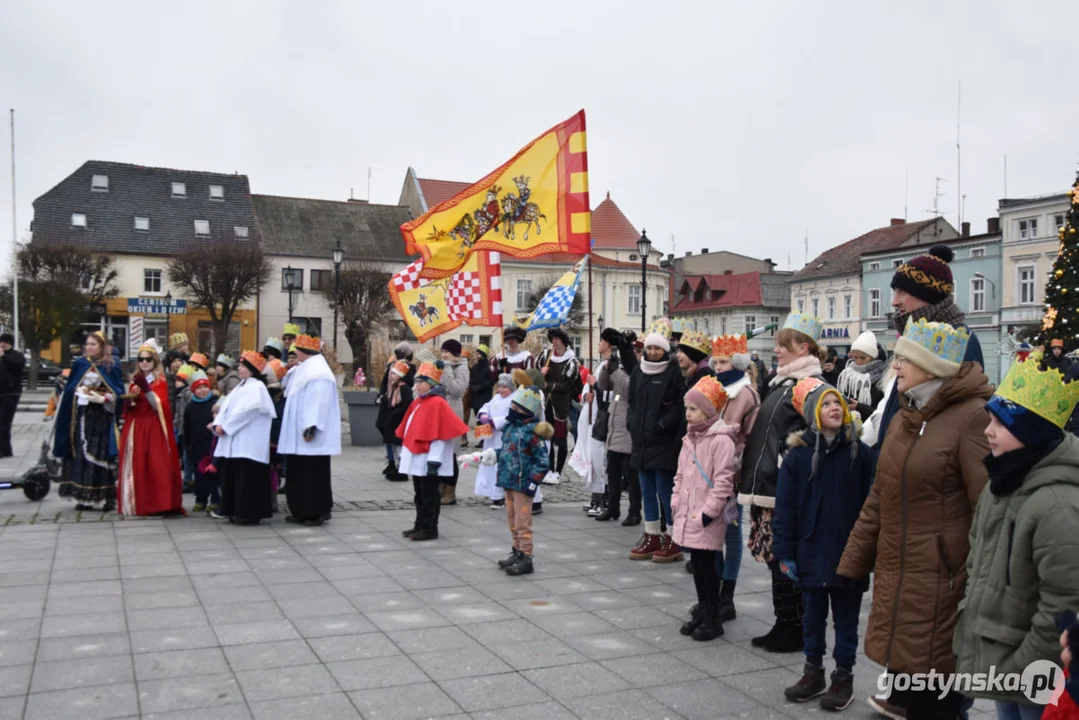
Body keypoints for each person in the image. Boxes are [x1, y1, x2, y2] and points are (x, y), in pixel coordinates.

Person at [838, 319, 992, 719]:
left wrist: (980, 582)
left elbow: (989, 509)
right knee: (908, 678)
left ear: (932, 365)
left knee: (937, 692)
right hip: (900, 571)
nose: (896, 366)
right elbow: (879, 496)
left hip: (944, 578)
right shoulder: (908, 414)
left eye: (905, 359)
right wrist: (853, 561)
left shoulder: (972, 417)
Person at [953, 360, 1079, 719]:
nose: (988, 431)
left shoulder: (1057, 505)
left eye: (1000, 423)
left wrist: (1026, 666)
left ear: (1032, 433)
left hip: (1033, 669)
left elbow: (1065, 603)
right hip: (1004, 656)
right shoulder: (1004, 480)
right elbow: (979, 560)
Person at [773, 379, 873, 711]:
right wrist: (784, 551)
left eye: (838, 404)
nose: (834, 408)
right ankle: (812, 672)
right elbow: (785, 508)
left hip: (849, 553)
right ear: (814, 413)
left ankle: (843, 678)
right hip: (811, 551)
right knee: (812, 618)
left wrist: (870, 550)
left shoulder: (860, 453)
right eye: (826, 404)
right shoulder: (798, 457)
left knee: (846, 620)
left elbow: (873, 505)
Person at [740, 312, 826, 654]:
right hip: (769, 488)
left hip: (785, 490)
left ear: (803, 347)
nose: (776, 350)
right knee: (775, 559)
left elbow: (818, 434)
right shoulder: (783, 383)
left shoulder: (810, 386)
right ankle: (783, 622)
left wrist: (786, 458)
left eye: (783, 345)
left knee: (785, 559)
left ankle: (794, 627)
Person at [875, 244, 985, 448]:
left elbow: (966, 413)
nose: (894, 302)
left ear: (927, 295)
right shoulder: (915, 336)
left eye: (902, 292)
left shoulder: (959, 340)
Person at [673, 375, 738, 642]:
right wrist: (676, 501)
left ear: (708, 411)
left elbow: (724, 481)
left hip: (706, 515)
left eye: (693, 409)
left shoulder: (721, 440)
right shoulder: (690, 438)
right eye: (686, 408)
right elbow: (680, 475)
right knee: (697, 565)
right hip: (689, 512)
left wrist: (708, 512)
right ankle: (703, 608)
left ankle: (712, 615)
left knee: (709, 566)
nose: (687, 414)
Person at [708, 334, 761, 623]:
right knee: (712, 533)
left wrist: (738, 462)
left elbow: (752, 438)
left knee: (730, 532)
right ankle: (713, 590)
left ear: (739, 362)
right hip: (710, 473)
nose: (719, 366)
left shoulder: (747, 395)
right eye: (716, 361)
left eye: (725, 361)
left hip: (733, 474)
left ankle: (727, 595)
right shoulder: (714, 389)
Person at [627, 324, 685, 563]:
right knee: (646, 490)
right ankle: (651, 534)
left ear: (664, 350)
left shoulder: (673, 373)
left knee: (664, 490)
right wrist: (631, 423)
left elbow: (678, 407)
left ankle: (672, 536)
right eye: (648, 348)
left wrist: (661, 425)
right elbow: (631, 403)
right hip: (641, 441)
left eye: (656, 348)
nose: (652, 352)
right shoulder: (638, 372)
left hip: (662, 441)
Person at [54, 331, 125, 511]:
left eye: (93, 344)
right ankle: (83, 495)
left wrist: (104, 397)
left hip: (102, 418)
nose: (89, 347)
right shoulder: (80, 364)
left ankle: (107, 496)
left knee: (102, 455)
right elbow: (70, 389)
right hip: (82, 417)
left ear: (102, 346)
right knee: (81, 455)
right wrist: (80, 391)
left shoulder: (111, 365)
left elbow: (118, 391)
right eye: (88, 344)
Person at [398, 361, 468, 541]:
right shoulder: (420, 402)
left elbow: (440, 435)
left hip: (429, 459)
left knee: (429, 495)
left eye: (421, 382)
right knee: (419, 494)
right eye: (416, 382)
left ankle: (430, 528)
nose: (417, 386)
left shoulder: (437, 403)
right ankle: (419, 524)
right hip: (418, 456)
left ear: (431, 383)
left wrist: (434, 460)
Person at [278, 334, 341, 527]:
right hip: (300, 436)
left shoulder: (318, 372)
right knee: (301, 473)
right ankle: (301, 510)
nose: (294, 352)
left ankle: (313, 511)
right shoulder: (306, 368)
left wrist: (311, 426)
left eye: (297, 349)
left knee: (311, 474)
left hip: (310, 436)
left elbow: (318, 402)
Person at [117, 342, 185, 517]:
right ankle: (139, 503)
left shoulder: (159, 381)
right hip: (136, 427)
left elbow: (160, 406)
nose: (144, 363)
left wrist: (147, 390)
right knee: (138, 465)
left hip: (153, 427)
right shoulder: (134, 381)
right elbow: (131, 404)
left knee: (156, 465)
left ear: (154, 361)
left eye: (148, 359)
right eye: (141, 359)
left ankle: (159, 503)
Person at [210, 351, 276, 525]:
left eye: (243, 366)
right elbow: (226, 408)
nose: (239, 368)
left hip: (249, 443)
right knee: (235, 477)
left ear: (252, 369)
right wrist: (219, 423)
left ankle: (248, 513)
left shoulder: (257, 387)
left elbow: (249, 411)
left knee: (248, 479)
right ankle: (234, 509)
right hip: (236, 442)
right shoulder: (241, 386)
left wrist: (226, 427)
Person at [495, 385, 553, 576]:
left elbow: (543, 461)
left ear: (526, 411)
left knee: (522, 521)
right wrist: (490, 455)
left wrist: (533, 482)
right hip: (508, 481)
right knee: (512, 519)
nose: (512, 410)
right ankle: (516, 551)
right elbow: (507, 451)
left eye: (517, 408)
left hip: (522, 484)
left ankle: (526, 556)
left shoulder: (532, 432)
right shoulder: (511, 427)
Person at [595, 328, 641, 525]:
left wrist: (617, 372)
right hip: (614, 429)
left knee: (631, 478)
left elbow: (630, 389)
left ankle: (634, 511)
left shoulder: (639, 371)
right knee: (612, 474)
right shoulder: (621, 369)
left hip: (628, 432)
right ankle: (612, 508)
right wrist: (607, 368)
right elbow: (604, 385)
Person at [538, 328, 583, 485]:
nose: (554, 342)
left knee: (561, 438)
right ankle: (549, 469)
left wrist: (547, 384)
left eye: (557, 339)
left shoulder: (571, 361)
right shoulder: (545, 357)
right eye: (553, 339)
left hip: (561, 403)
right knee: (547, 437)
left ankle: (558, 471)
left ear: (564, 341)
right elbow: (535, 376)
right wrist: (540, 373)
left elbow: (566, 384)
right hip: (546, 403)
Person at [474, 373, 515, 508]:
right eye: (500, 387)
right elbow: (487, 406)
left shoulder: (513, 400)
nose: (501, 390)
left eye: (505, 387)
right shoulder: (496, 398)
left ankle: (499, 495)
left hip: (503, 437)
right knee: (489, 463)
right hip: (491, 437)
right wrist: (484, 414)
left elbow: (509, 417)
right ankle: (491, 491)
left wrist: (494, 422)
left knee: (499, 465)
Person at [438, 339, 469, 503]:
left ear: (455, 354)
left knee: (451, 453)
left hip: (453, 409)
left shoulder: (462, 368)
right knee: (441, 452)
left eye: (447, 352)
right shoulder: (443, 365)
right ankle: (441, 487)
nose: (444, 354)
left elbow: (457, 390)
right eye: (443, 351)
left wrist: (447, 368)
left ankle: (451, 492)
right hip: (440, 410)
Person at [183, 370, 218, 513]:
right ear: (193, 390)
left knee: (214, 474)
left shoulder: (214, 404)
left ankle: (215, 499)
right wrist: (188, 446)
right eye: (198, 388)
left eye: (205, 387)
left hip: (212, 445)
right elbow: (187, 428)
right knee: (199, 474)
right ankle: (200, 499)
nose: (202, 390)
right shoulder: (190, 407)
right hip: (196, 445)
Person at [376, 361, 414, 482]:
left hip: (398, 422)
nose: (391, 376)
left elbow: (406, 405)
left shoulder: (405, 389)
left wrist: (394, 414)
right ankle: (397, 468)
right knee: (394, 446)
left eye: (394, 374)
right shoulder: (394, 387)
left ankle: (402, 470)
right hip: (392, 422)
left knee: (399, 447)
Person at [835, 330, 887, 420]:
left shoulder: (883, 377)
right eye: (855, 357)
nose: (858, 362)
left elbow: (883, 414)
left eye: (863, 358)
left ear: (872, 357)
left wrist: (859, 407)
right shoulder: (847, 374)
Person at [0, 333, 25, 458]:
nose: (2, 344)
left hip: (11, 393)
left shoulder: (16, 356)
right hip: (1, 392)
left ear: (10, 343)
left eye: (5, 342)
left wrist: (4, 356)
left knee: (4, 422)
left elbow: (18, 367)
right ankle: (6, 449)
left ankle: (3, 450)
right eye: (1, 342)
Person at [469, 344, 496, 434]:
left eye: (478, 354)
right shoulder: (475, 367)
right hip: (476, 396)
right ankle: (481, 438)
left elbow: (491, 381)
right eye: (476, 354)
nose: (476, 356)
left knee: (484, 418)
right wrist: (472, 387)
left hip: (485, 396)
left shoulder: (489, 366)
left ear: (483, 354)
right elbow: (471, 379)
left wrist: (480, 387)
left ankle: (485, 439)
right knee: (478, 418)